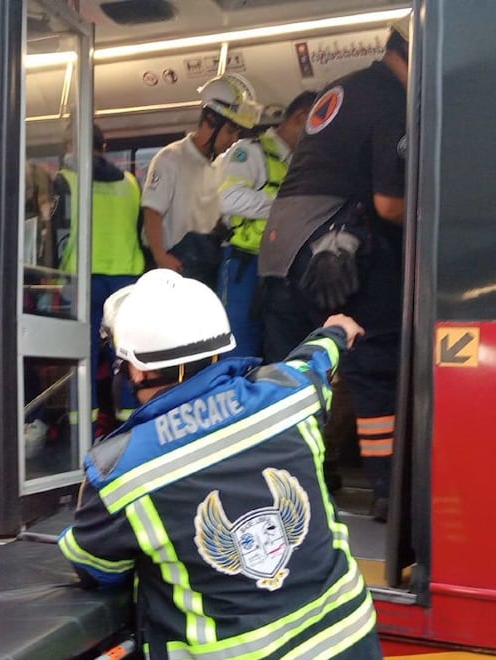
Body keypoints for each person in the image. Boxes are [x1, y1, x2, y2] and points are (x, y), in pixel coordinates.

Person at [59, 269, 380, 660]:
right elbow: (314, 358)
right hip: (351, 645)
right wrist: (336, 331)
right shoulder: (292, 394)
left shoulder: (118, 473)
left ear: (137, 370)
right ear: (218, 349)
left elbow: (96, 569)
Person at [257, 19, 411, 521]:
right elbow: (389, 206)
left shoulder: (343, 87)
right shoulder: (392, 99)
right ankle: (390, 492)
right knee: (373, 363)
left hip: (280, 250)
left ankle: (298, 492)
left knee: (293, 376)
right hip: (329, 248)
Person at [216, 90, 317, 356]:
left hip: (282, 268)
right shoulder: (249, 153)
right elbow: (227, 198)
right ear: (301, 117)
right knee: (241, 345)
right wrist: (284, 206)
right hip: (244, 264)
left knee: (281, 346)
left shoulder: (299, 163)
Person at [55, 124, 144, 427]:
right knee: (125, 350)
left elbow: (58, 235)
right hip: (126, 279)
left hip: (84, 278)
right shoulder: (132, 183)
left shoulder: (65, 180)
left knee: (83, 352)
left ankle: (82, 419)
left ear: (71, 145)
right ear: (104, 148)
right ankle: (132, 412)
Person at [140, 74, 255, 287]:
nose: (234, 140)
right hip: (174, 268)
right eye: (230, 131)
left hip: (205, 268)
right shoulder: (170, 158)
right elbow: (152, 211)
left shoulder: (219, 166)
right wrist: (160, 256)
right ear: (211, 120)